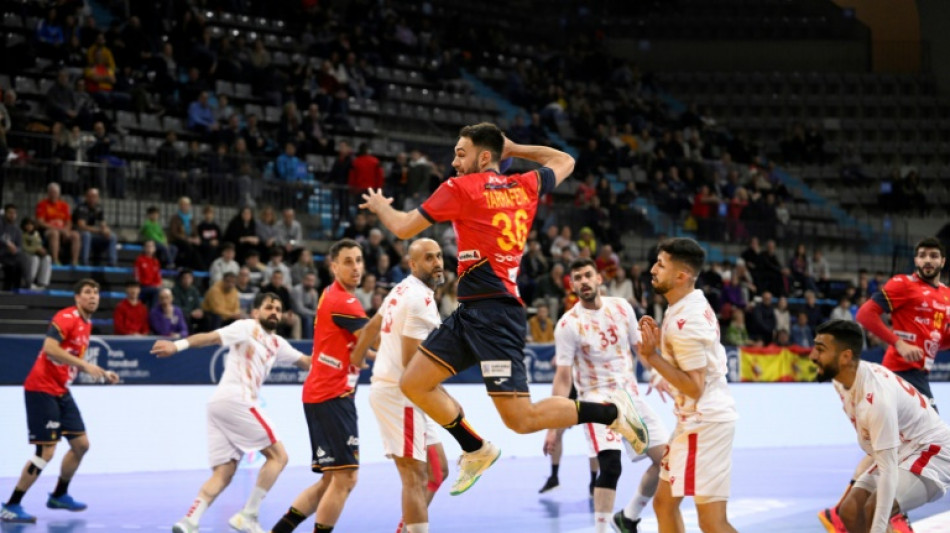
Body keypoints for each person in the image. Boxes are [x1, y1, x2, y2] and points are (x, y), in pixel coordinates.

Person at [359, 123, 647, 496]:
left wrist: (382, 206)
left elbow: (401, 228)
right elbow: (565, 160)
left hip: (495, 315)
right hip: (471, 311)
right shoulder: (524, 185)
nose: (454, 161)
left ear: (483, 157)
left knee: (522, 420)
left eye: (461, 153)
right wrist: (516, 148)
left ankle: (611, 411)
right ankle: (476, 448)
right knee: (413, 382)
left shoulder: (460, 188)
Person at [819, 237, 950, 532]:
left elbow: (938, 340)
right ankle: (883, 514)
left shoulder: (946, 296)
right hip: (898, 374)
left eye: (933, 256)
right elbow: (865, 314)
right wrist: (898, 342)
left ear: (943, 262)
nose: (927, 261)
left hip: (920, 375)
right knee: (912, 442)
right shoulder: (903, 284)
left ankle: (848, 511)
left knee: (904, 445)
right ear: (916, 261)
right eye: (922, 256)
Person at [152, 293, 312, 533]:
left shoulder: (277, 343)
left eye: (278, 309)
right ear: (256, 312)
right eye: (269, 307)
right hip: (238, 400)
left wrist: (344, 355)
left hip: (219, 406)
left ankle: (189, 520)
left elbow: (308, 362)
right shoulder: (247, 327)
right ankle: (248, 515)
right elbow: (210, 337)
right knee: (279, 457)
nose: (275, 312)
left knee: (225, 471)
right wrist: (177, 345)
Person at [547, 258, 670, 533]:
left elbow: (641, 348)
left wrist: (656, 373)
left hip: (630, 396)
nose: (584, 281)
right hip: (595, 400)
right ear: (572, 285)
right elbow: (563, 377)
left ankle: (628, 517)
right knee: (611, 467)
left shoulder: (621, 307)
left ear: (599, 279)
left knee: (667, 460)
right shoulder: (568, 325)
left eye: (588, 275)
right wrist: (554, 427)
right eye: (577, 277)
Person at [637, 238, 738, 533]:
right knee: (663, 504)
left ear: (681, 276)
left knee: (712, 523)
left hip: (704, 424)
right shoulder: (685, 304)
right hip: (692, 422)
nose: (653, 269)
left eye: (661, 265)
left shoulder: (687, 322)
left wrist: (652, 357)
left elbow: (695, 387)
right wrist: (656, 364)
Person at [810, 320, 950, 533]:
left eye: (820, 350)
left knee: (874, 510)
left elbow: (887, 472)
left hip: (932, 450)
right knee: (849, 511)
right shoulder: (841, 379)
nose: (812, 356)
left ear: (846, 357)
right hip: (903, 447)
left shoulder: (876, 400)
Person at [269, 239, 369, 533]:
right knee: (346, 478)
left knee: (330, 479)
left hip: (324, 394)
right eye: (348, 261)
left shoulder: (332, 294)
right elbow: (371, 338)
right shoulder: (344, 301)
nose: (356, 267)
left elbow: (361, 345)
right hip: (332, 395)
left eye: (359, 260)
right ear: (334, 266)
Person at [0, 279, 119, 524]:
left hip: (61, 390)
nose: (93, 297)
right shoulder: (67, 317)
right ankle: (11, 505)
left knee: (81, 445)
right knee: (46, 452)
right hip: (41, 388)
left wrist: (102, 372)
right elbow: (50, 348)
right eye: (87, 293)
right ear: (77, 298)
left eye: (96, 293)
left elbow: (71, 359)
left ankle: (59, 494)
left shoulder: (87, 324)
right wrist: (85, 364)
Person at [354, 238, 450, 533]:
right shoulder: (420, 299)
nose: (436, 263)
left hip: (407, 393)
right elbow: (413, 364)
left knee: (438, 471)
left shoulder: (402, 288)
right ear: (413, 264)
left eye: (438, 256)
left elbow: (371, 328)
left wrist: (355, 362)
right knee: (414, 477)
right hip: (402, 394)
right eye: (428, 258)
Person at [35, 182, 80, 266]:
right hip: (48, 230)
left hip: (63, 230)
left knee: (76, 235)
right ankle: (55, 260)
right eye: (51, 192)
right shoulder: (42, 204)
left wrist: (66, 230)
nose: (53, 194)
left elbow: (69, 221)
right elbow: (40, 222)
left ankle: (75, 261)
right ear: (48, 193)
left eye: (55, 192)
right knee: (54, 233)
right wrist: (59, 229)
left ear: (59, 194)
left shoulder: (64, 205)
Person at [72, 188, 117, 267]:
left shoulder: (98, 208)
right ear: (86, 197)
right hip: (80, 235)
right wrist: (99, 231)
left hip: (94, 236)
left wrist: (106, 230)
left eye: (95, 197)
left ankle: (112, 263)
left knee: (112, 236)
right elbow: (81, 226)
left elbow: (103, 223)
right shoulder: (81, 208)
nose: (93, 199)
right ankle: (85, 262)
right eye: (91, 196)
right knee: (87, 234)